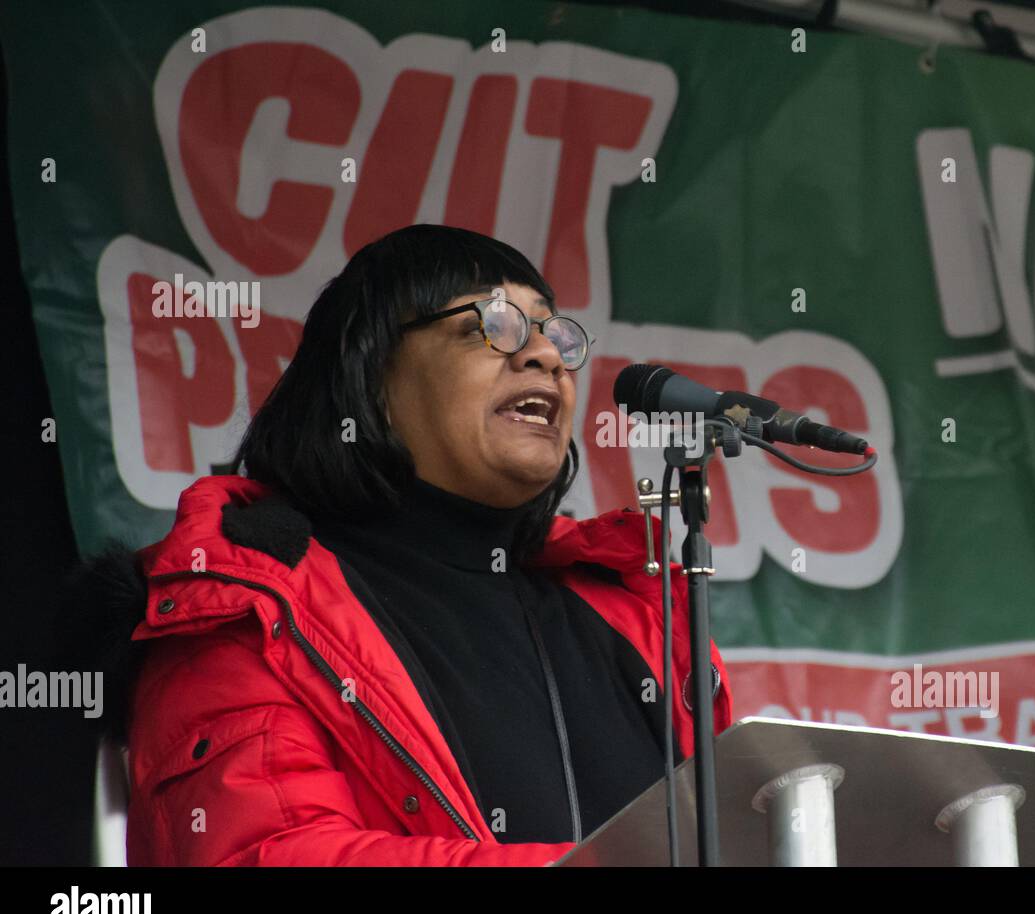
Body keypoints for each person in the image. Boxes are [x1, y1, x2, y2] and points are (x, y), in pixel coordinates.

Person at [96, 224, 732, 866]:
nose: (543, 356)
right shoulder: (250, 601)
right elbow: (266, 854)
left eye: (554, 335)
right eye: (495, 325)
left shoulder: (633, 613)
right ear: (370, 374)